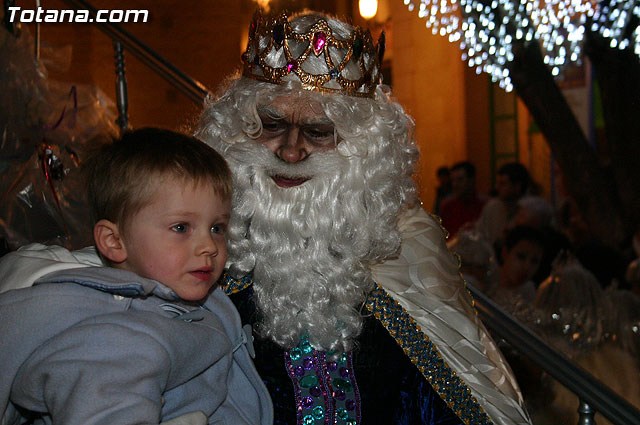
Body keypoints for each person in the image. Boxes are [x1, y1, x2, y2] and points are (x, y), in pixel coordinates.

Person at [0, 12, 532, 425]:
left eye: (319, 132)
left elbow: (458, 400)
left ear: (362, 152)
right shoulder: (188, 260)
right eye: (271, 125)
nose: (292, 151)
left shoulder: (405, 253)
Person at [0, 128, 273, 425]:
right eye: (181, 228)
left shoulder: (182, 301)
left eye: (217, 228)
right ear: (114, 242)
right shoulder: (115, 337)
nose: (209, 246)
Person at [476, 162, 531, 247]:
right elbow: (480, 236)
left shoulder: (532, 210)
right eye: (498, 183)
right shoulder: (492, 207)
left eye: (502, 183)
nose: (497, 187)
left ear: (517, 186)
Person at [438, 161, 488, 236]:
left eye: (460, 180)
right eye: (453, 180)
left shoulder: (485, 205)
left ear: (471, 180)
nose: (455, 184)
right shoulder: (448, 206)